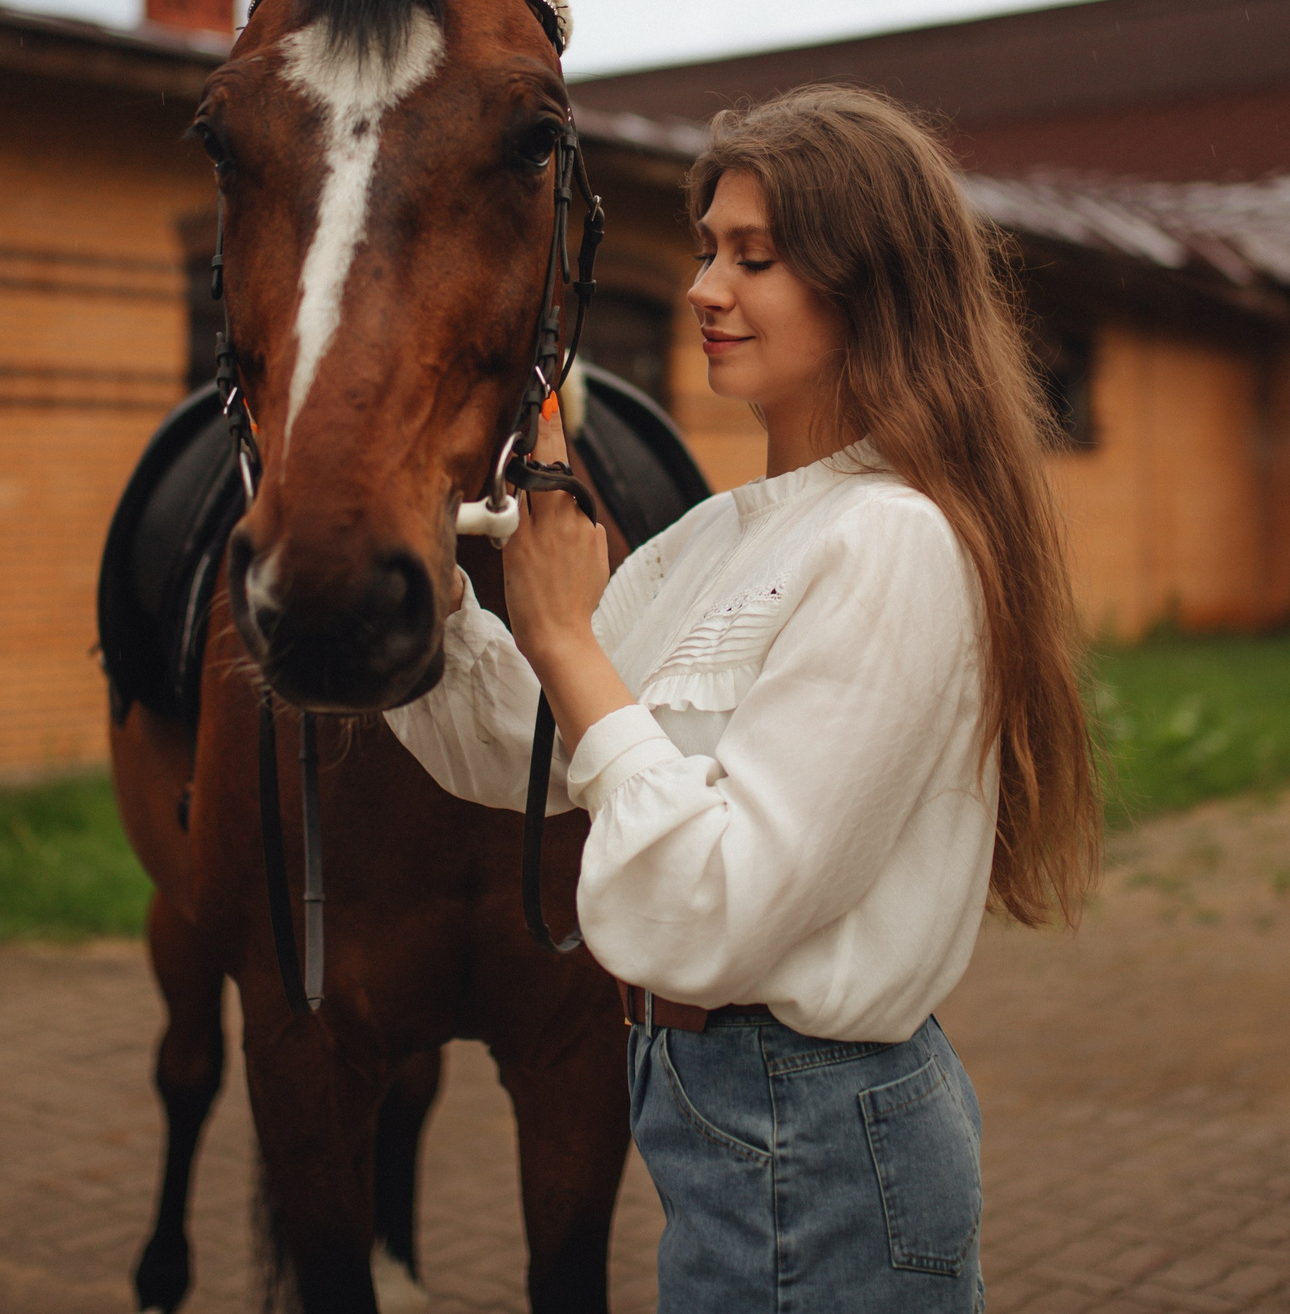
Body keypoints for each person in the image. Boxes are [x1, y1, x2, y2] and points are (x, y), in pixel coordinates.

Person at [387, 83, 1100, 1311]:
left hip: (814, 1138)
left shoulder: (895, 543)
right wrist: (421, 583)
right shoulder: (715, 540)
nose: (706, 287)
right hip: (726, 1119)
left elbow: (719, 905)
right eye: (709, 249)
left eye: (754, 257)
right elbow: (530, 749)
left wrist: (564, 636)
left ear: (869, 285)